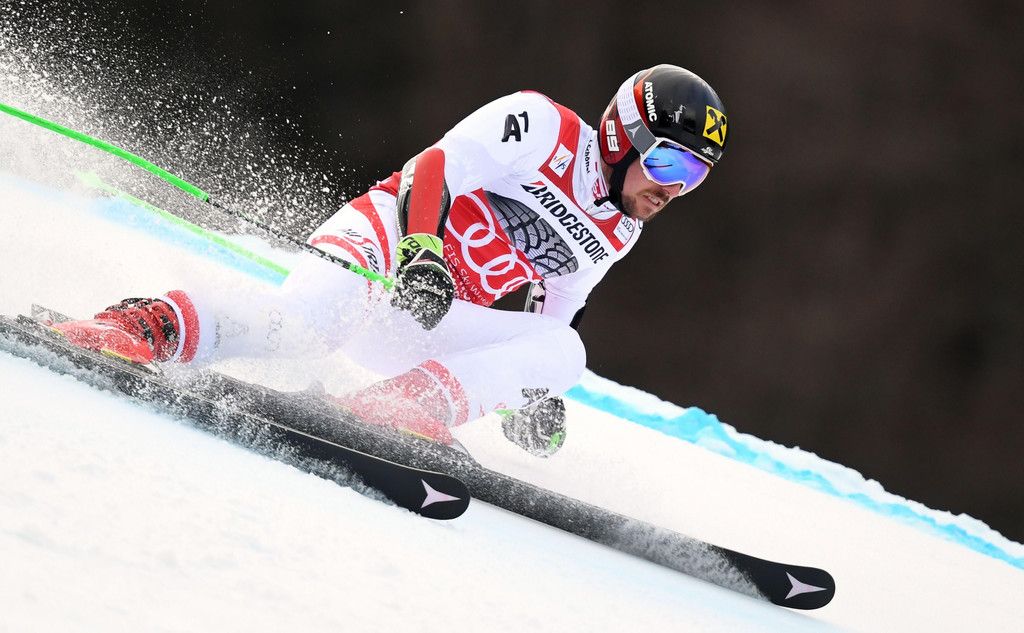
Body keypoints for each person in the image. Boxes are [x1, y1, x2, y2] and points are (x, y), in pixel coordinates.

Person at [52, 64, 728, 457]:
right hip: (382, 251)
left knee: (566, 352)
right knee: (303, 327)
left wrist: (528, 395)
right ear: (621, 135)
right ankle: (146, 325)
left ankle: (399, 408)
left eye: (695, 177)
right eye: (669, 163)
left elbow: (550, 318)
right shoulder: (541, 125)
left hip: (424, 320)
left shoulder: (620, 231)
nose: (673, 189)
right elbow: (435, 166)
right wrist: (422, 251)